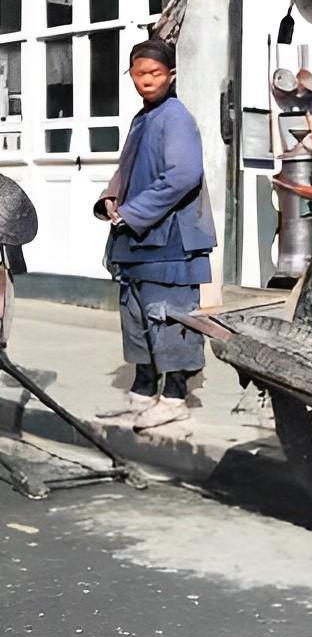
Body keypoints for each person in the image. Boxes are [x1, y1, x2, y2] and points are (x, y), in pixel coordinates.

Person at [94, 38, 216, 430]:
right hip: (137, 238)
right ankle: (144, 392)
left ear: (171, 75)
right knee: (135, 314)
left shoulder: (175, 116)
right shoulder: (142, 118)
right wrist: (111, 199)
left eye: (155, 73)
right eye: (139, 73)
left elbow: (183, 175)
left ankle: (175, 397)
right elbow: (125, 169)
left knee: (168, 315)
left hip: (171, 239)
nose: (146, 81)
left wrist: (132, 212)